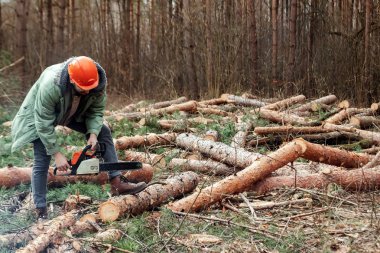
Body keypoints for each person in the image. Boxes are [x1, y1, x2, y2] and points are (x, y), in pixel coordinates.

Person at [11, 56, 147, 219]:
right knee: (42, 156)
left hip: (72, 111)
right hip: (40, 116)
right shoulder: (51, 85)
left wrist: (93, 134)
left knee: (103, 131)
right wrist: (57, 154)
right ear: (71, 80)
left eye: (90, 88)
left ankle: (117, 182)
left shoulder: (97, 84)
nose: (88, 91)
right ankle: (40, 210)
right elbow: (43, 122)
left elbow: (96, 112)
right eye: (83, 88)